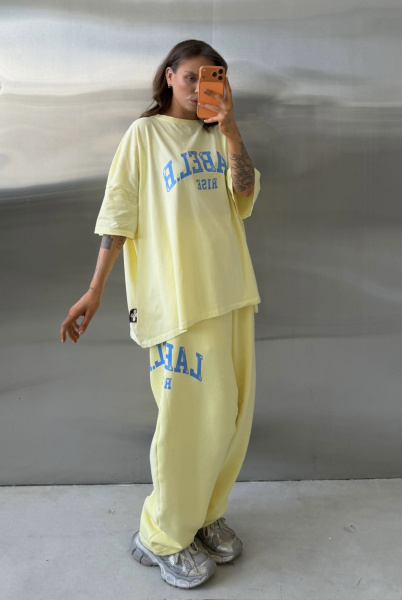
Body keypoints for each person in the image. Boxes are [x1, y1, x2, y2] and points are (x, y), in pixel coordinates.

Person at [60, 39, 261, 590]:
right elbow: (118, 213)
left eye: (213, 78)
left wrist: (232, 131)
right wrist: (95, 289)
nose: (200, 87)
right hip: (177, 302)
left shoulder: (219, 136)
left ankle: (205, 514)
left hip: (231, 292)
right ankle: (163, 535)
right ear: (169, 76)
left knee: (230, 419)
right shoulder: (143, 135)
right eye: (192, 76)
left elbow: (244, 194)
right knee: (185, 423)